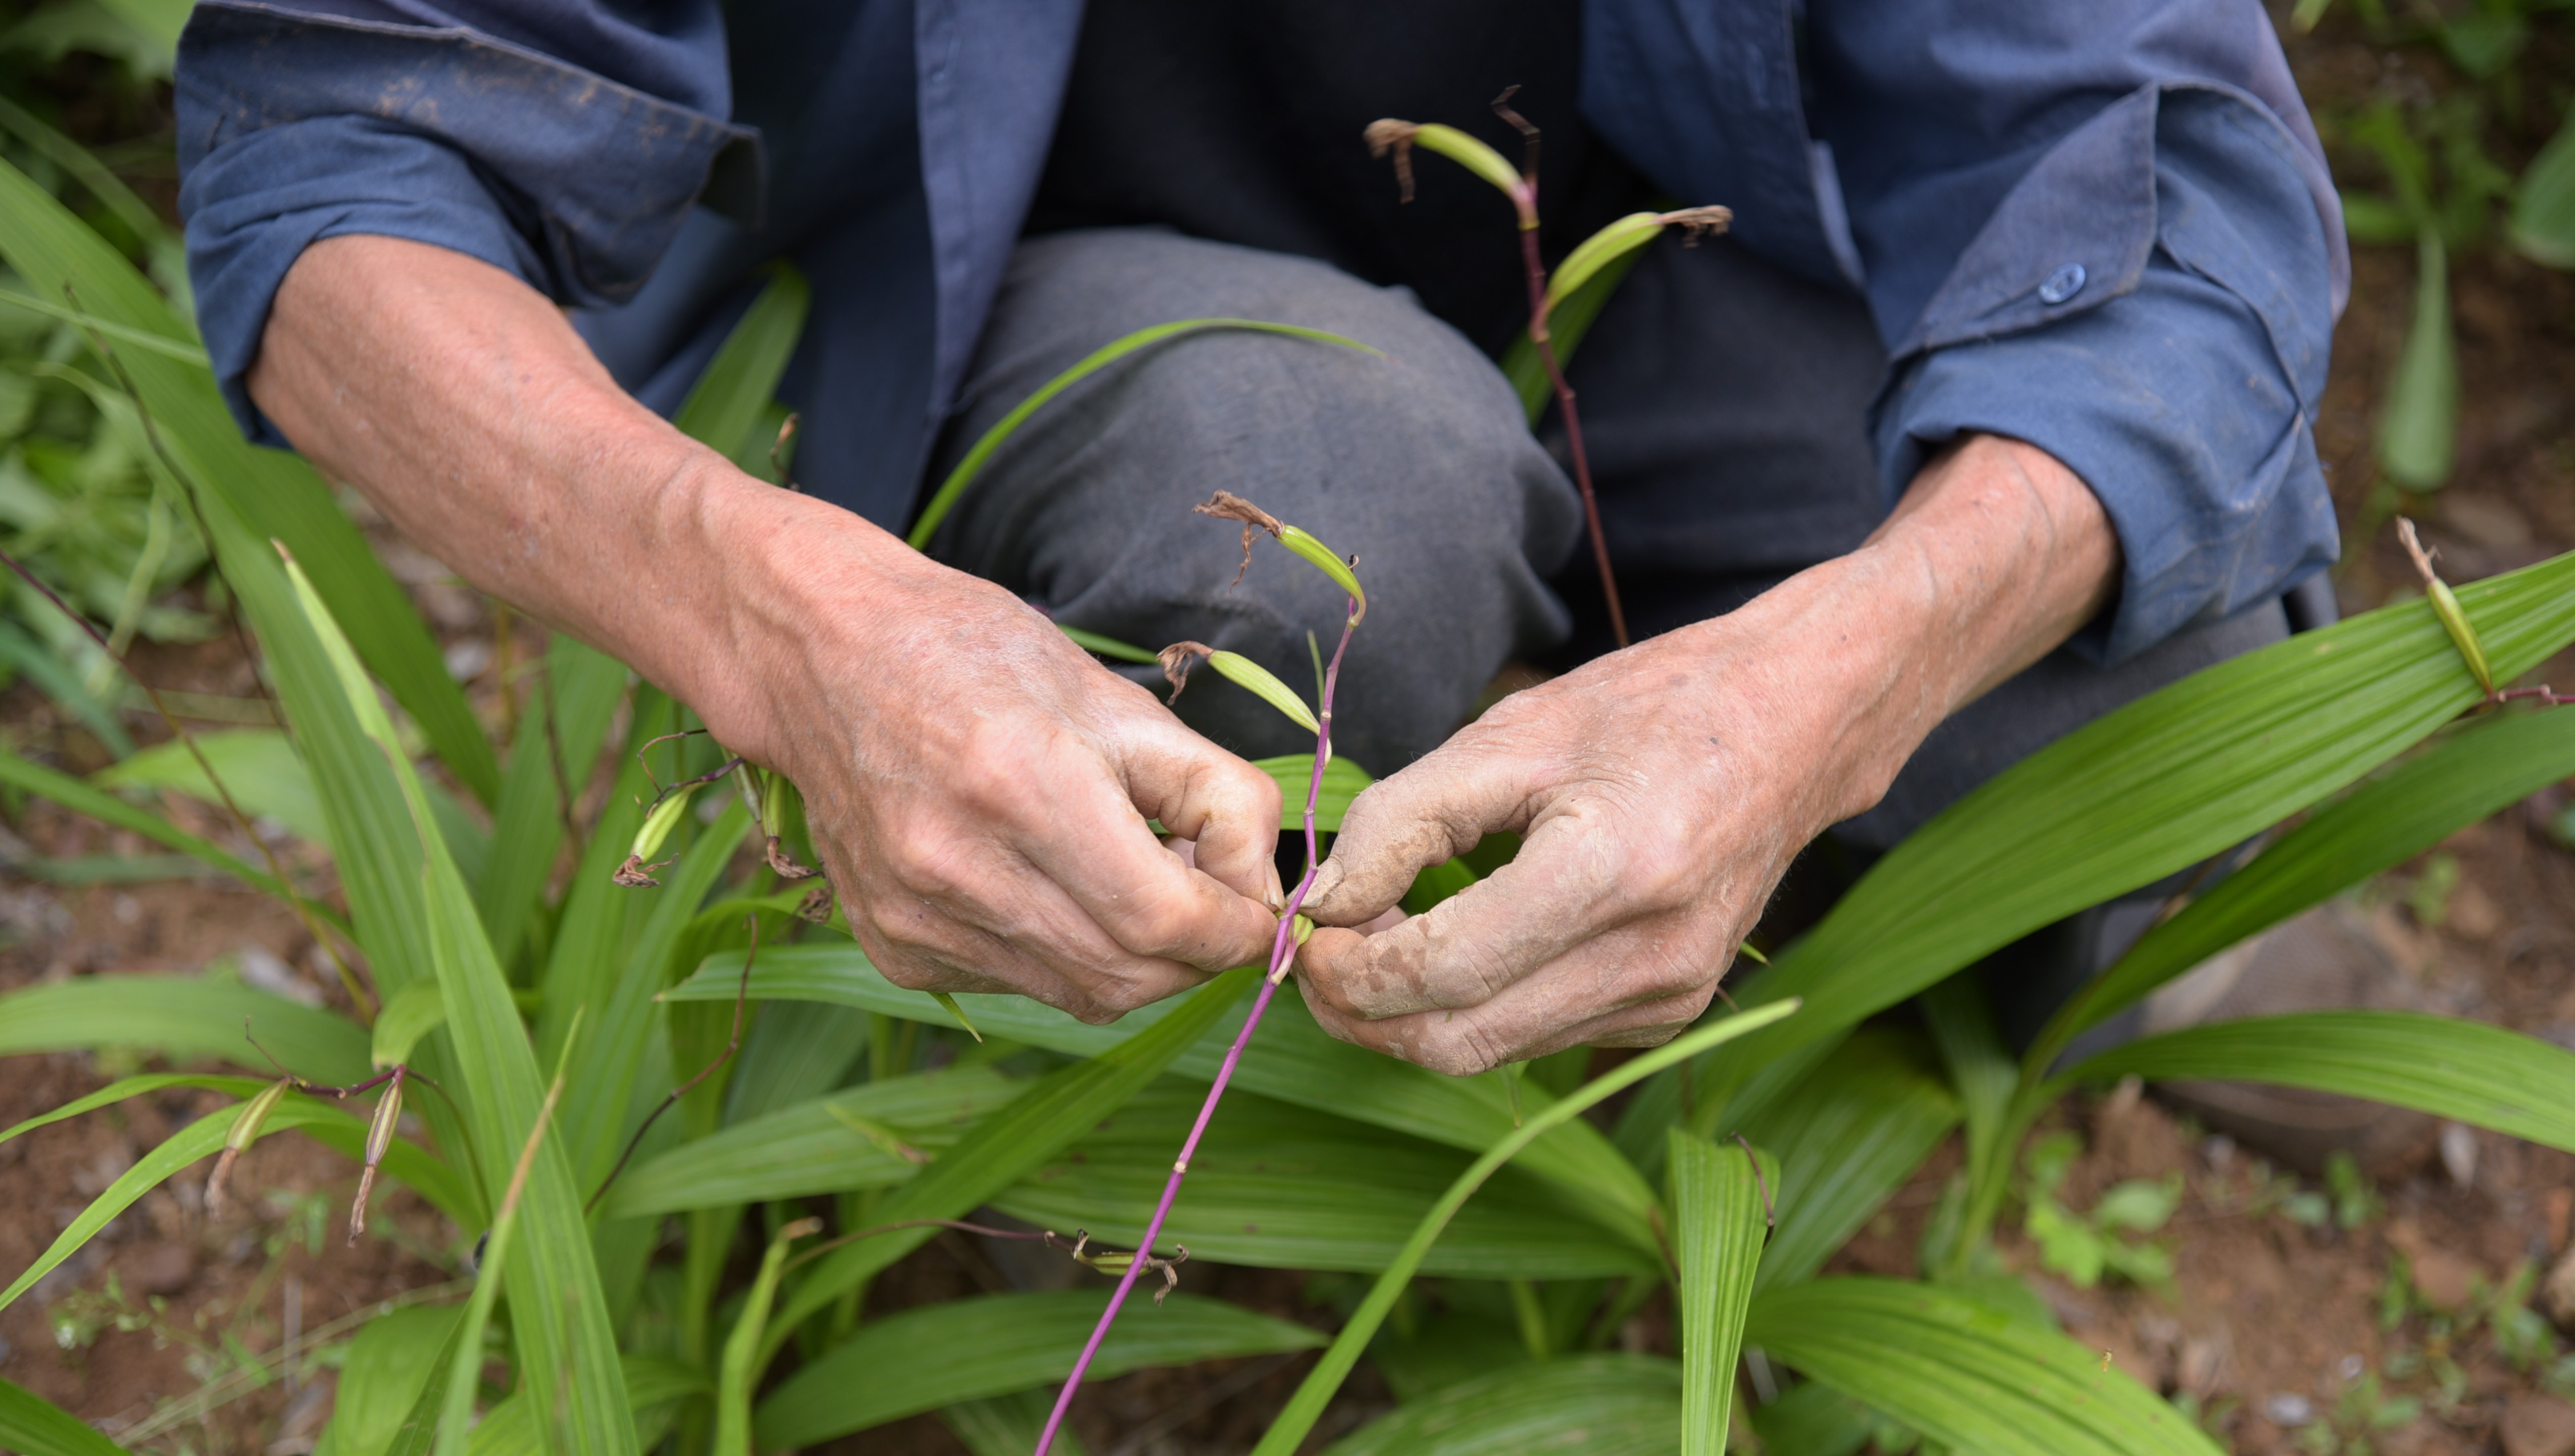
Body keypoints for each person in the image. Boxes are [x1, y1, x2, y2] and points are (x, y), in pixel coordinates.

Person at [175, 0, 2346, 1077]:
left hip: (1650, 263)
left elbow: (2167, 171)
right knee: (1310, 512)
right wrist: (785, 623)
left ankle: (1978, 990)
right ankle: (1060, 1179)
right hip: (1011, 309)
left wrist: (1823, 681)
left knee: (2150, 675)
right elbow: (342, 153)